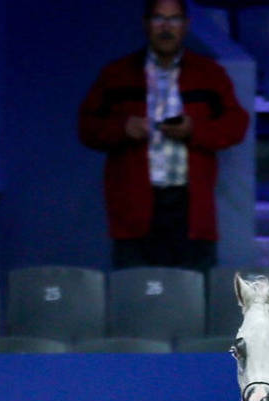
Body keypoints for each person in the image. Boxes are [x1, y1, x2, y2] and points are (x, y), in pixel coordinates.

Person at [77, 0, 250, 271]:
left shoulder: (209, 74)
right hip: (134, 208)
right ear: (146, 24)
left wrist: (194, 130)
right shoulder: (116, 74)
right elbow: (87, 127)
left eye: (174, 19)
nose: (166, 27)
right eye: (159, 19)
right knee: (136, 291)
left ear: (186, 25)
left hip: (190, 209)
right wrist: (123, 129)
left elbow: (236, 124)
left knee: (192, 290)